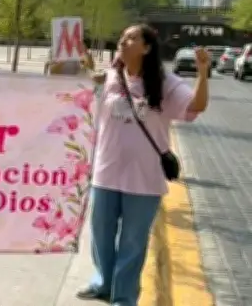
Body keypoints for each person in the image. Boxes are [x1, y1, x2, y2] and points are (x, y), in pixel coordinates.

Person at [76, 24, 209, 306]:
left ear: (146, 48)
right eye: (122, 37)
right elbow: (82, 89)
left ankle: (123, 296)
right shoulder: (111, 76)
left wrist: (203, 73)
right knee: (100, 234)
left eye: (131, 38)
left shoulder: (167, 83)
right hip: (105, 172)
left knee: (132, 243)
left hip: (144, 180)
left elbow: (196, 106)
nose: (123, 41)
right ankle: (102, 283)